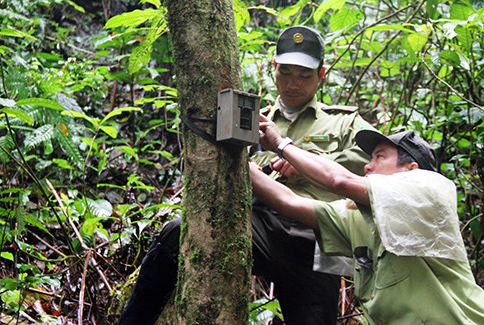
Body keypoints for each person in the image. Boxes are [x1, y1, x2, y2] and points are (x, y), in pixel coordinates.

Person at [118, 25, 374, 325]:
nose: (293, 83)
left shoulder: (344, 122)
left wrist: (308, 161)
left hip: (318, 238)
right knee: (178, 231)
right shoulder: (251, 119)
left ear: (322, 74)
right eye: (286, 72)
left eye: (304, 75)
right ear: (273, 68)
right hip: (262, 227)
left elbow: (375, 167)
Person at [249, 122, 484, 324]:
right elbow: (290, 203)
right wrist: (243, 164)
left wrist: (282, 144)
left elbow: (339, 180)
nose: (368, 166)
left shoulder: (428, 191)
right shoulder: (356, 215)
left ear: (410, 169)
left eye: (380, 157)